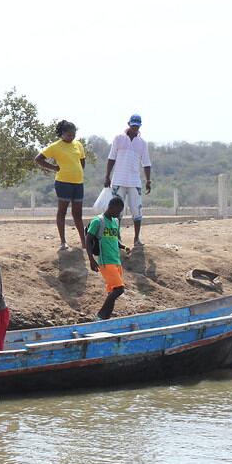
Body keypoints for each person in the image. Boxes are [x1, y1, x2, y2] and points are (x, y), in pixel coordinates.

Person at [35, 120, 87, 249]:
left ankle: (84, 242)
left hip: (78, 183)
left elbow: (82, 161)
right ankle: (63, 242)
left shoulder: (78, 145)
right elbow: (38, 159)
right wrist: (53, 167)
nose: (71, 137)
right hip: (63, 183)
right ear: (62, 134)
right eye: (69, 134)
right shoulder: (55, 146)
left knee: (77, 214)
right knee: (62, 211)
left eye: (73, 134)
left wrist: (78, 172)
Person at [104, 114, 152, 246]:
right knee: (116, 211)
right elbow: (111, 158)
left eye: (137, 126)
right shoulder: (119, 138)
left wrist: (148, 180)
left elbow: (146, 163)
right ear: (129, 124)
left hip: (134, 181)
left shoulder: (142, 143)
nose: (135, 128)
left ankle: (136, 239)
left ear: (139, 126)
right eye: (133, 125)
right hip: (118, 180)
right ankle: (116, 237)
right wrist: (107, 176)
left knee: (136, 209)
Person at [86, 197, 131, 320]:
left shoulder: (115, 222)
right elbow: (88, 240)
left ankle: (105, 318)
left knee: (112, 291)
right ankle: (100, 315)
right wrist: (91, 259)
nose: (119, 213)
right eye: (118, 211)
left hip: (116, 260)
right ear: (111, 207)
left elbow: (114, 239)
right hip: (105, 261)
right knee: (119, 289)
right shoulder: (98, 221)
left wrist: (124, 247)